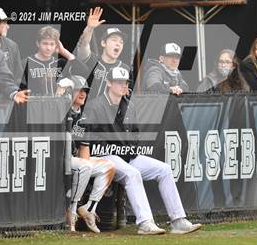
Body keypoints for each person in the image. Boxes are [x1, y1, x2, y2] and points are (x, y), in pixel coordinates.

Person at [83, 67, 201, 235]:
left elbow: (135, 133)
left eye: (124, 82)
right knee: (132, 174)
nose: (122, 85)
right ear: (108, 83)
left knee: (164, 169)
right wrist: (113, 148)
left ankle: (178, 221)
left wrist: (131, 148)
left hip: (127, 156)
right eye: (117, 82)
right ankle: (145, 223)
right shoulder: (96, 105)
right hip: (106, 157)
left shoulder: (128, 105)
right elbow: (86, 137)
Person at [59, 75, 115, 233]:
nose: (82, 93)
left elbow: (84, 148)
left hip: (74, 159)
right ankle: (71, 211)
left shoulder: (84, 117)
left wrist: (87, 166)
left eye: (85, 90)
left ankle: (89, 208)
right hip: (59, 158)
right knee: (84, 166)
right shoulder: (60, 109)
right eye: (78, 90)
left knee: (108, 167)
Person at [76, 7, 131, 99]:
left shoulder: (124, 68)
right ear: (103, 43)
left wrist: (126, 92)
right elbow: (83, 45)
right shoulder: (92, 59)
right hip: (88, 111)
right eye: (114, 40)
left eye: (121, 42)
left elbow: (127, 92)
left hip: (110, 112)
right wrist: (89, 28)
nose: (118, 44)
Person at [23, 25, 85, 96]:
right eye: (45, 43)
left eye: (52, 44)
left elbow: (84, 71)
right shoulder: (26, 63)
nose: (48, 48)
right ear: (38, 43)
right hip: (35, 105)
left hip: (59, 106)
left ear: (56, 45)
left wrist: (64, 52)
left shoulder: (61, 63)